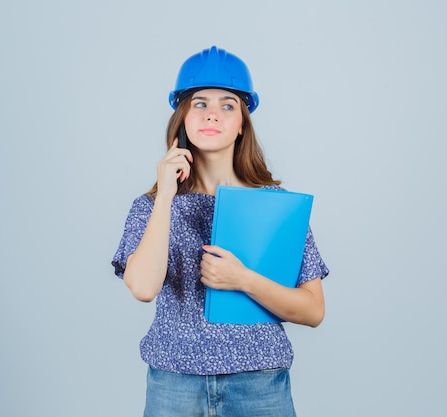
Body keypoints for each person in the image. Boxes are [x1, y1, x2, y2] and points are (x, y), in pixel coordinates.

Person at [111, 46, 329, 417]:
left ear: (242, 123)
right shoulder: (149, 207)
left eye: (228, 105)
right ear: (182, 116)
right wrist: (166, 194)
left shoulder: (276, 205)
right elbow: (144, 288)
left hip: (259, 384)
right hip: (174, 384)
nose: (213, 113)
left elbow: (313, 310)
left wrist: (243, 279)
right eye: (200, 103)